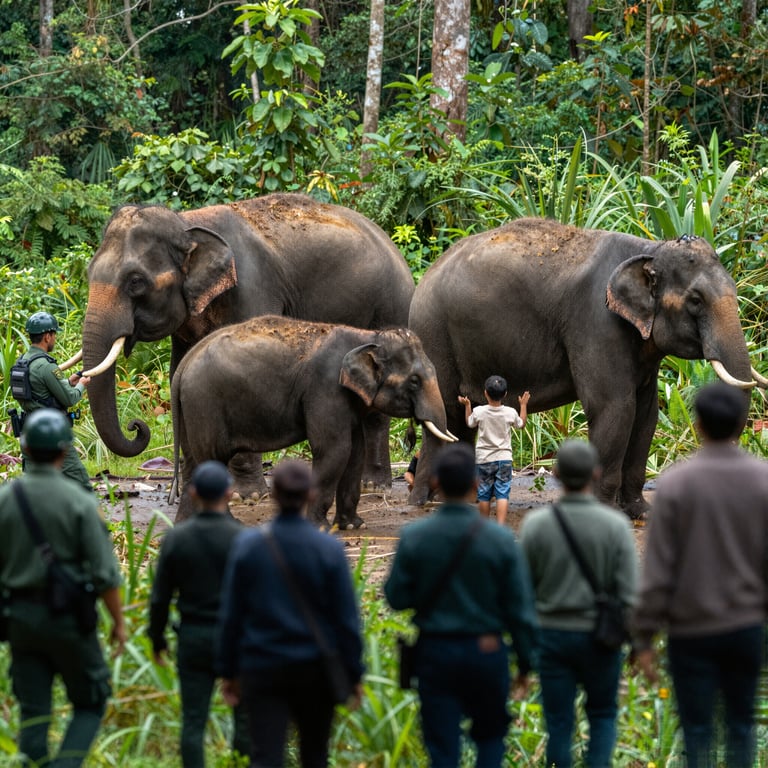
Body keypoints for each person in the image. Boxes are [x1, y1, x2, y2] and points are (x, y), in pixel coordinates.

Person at [632, 382, 768, 768]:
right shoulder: (763, 481)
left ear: (699, 425)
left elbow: (658, 571)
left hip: (690, 630)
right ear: (742, 423)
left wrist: (643, 635)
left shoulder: (676, 484)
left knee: (696, 730)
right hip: (746, 626)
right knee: (741, 726)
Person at [384, 442, 538, 768]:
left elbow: (396, 598)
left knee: (442, 746)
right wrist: (526, 664)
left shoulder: (414, 537)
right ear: (476, 483)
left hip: (434, 653)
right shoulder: (499, 541)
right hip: (486, 651)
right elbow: (519, 610)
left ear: (435, 482)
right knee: (491, 738)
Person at [216, 460, 364, 768]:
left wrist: (229, 671)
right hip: (316, 669)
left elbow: (232, 615)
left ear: (273, 496)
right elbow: (346, 620)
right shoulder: (329, 549)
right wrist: (354, 673)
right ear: (311, 495)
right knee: (315, 756)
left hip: (263, 666)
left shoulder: (249, 546)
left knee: (266, 756)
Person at [0, 408, 125, 767]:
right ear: (64, 451)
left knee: (34, 712)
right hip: (68, 618)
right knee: (91, 700)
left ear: (23, 448)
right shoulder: (80, 502)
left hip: (19, 619)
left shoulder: (6, 499)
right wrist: (118, 623)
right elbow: (105, 574)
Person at [519, 439, 638, 768]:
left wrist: (524, 649)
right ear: (597, 474)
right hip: (600, 637)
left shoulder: (536, 525)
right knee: (602, 715)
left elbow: (523, 592)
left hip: (551, 635)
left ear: (555, 474)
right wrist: (638, 643)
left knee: (558, 722)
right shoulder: (615, 525)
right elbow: (629, 593)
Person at [148, 461, 250, 767]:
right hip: (237, 640)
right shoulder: (245, 540)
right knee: (245, 718)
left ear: (192, 493)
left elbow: (160, 598)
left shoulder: (177, 539)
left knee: (193, 719)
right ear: (231, 494)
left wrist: (157, 638)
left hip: (193, 637)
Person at [15, 311, 92, 492]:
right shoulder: (46, 366)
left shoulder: (23, 362)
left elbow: (39, 392)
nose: (54, 339)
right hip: (51, 435)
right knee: (80, 481)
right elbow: (70, 398)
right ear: (47, 336)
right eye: (54, 335)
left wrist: (68, 382)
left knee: (35, 486)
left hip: (29, 432)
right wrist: (81, 385)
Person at [458, 375, 530, 524]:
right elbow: (521, 424)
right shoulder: (510, 412)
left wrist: (467, 406)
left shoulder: (479, 412)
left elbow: (469, 423)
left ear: (485, 393)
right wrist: (523, 405)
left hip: (484, 459)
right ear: (505, 394)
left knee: (483, 493)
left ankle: (484, 526)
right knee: (502, 493)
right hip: (504, 459)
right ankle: (500, 526)